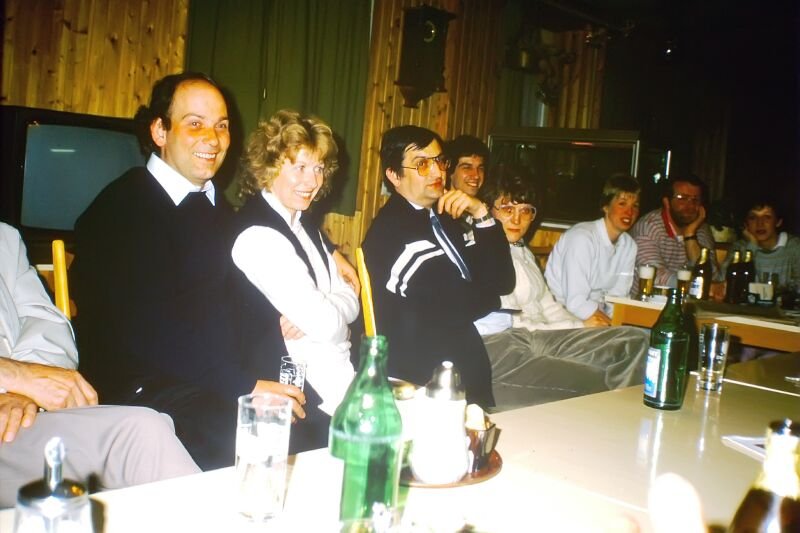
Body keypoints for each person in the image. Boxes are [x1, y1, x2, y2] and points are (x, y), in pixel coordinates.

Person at [71, 72, 305, 469]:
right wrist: (247, 386)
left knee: (318, 422)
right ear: (160, 131)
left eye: (221, 126)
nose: (212, 139)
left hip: (212, 380)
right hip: (145, 390)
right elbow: (149, 331)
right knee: (253, 438)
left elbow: (259, 247)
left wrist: (327, 257)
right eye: (195, 124)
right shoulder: (121, 208)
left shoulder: (216, 208)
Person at [0, 222, 199, 508]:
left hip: (19, 421)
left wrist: (23, 390)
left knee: (142, 431)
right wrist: (14, 376)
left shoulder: (5, 238)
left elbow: (45, 321)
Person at [231, 110, 359, 453]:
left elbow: (352, 298)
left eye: (318, 168)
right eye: (299, 167)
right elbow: (329, 325)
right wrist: (336, 320)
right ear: (270, 166)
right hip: (299, 402)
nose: (312, 180)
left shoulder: (304, 224)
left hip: (338, 383)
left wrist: (330, 309)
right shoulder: (258, 236)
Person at [361, 126, 515, 408]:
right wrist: (490, 296)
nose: (437, 172)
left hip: (463, 377)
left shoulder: (442, 218)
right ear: (394, 175)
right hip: (422, 387)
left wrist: (481, 214)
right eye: (422, 164)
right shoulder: (394, 234)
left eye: (440, 161)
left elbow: (503, 281)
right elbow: (463, 303)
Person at [475, 168, 648, 410]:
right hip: (522, 340)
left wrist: (581, 329)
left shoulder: (522, 250)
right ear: (488, 210)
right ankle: (616, 414)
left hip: (546, 334)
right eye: (507, 209)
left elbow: (549, 305)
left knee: (636, 340)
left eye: (525, 211)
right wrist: (579, 327)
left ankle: (625, 413)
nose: (517, 219)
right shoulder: (486, 253)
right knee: (596, 377)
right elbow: (514, 325)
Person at [545, 175, 640, 323]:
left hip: (596, 317)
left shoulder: (629, 246)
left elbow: (618, 298)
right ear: (606, 206)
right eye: (622, 204)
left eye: (635, 206)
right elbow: (576, 303)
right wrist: (611, 326)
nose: (630, 212)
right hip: (561, 315)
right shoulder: (582, 238)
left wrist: (617, 324)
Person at [629, 175, 723, 297]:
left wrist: (690, 236)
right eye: (682, 198)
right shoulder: (648, 227)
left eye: (695, 200)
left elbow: (713, 276)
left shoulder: (701, 230)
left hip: (687, 303)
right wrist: (697, 286)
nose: (690, 206)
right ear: (667, 202)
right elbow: (655, 277)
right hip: (647, 303)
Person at [722, 198, 800, 289]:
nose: (760, 223)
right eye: (753, 218)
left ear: (778, 222)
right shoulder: (740, 247)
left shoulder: (794, 246)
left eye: (767, 217)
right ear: (746, 224)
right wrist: (752, 246)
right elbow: (722, 280)